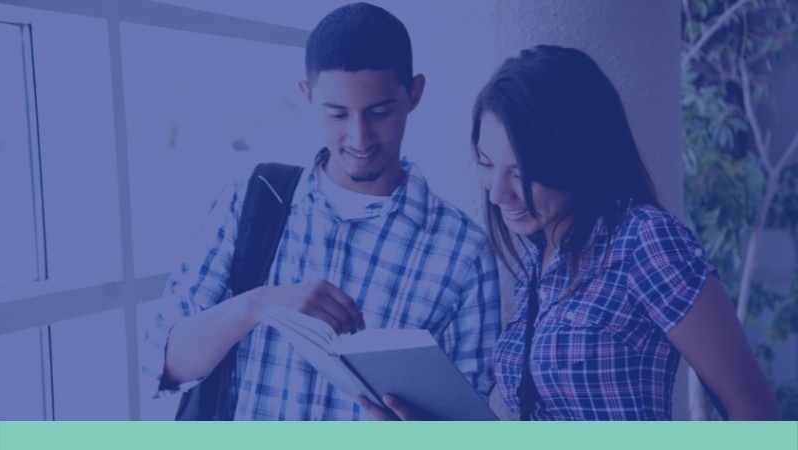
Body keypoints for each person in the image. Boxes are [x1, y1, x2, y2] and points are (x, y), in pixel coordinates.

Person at [141, 2, 500, 421]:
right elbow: (162, 363)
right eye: (337, 113)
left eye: (380, 112)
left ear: (414, 94)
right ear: (307, 96)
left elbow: (467, 427)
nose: (360, 136)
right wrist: (259, 305)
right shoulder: (249, 200)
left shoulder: (463, 253)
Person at [472, 45, 780, 420]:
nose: (498, 193)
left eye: (521, 172)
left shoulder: (645, 241)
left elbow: (753, 409)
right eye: (486, 164)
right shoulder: (537, 260)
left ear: (576, 155)